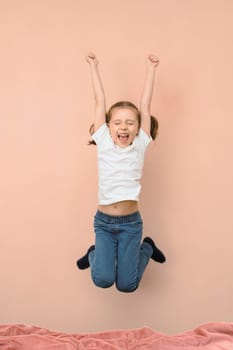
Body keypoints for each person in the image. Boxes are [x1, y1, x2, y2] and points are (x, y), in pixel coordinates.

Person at [76, 52, 166, 293]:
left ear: (138, 128)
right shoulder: (104, 141)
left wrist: (151, 69)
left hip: (130, 224)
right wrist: (94, 67)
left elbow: (145, 105)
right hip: (104, 223)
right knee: (102, 280)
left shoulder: (139, 143)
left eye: (129, 122)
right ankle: (94, 252)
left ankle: (146, 248)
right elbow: (99, 100)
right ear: (107, 126)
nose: (123, 127)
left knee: (128, 285)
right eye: (117, 122)